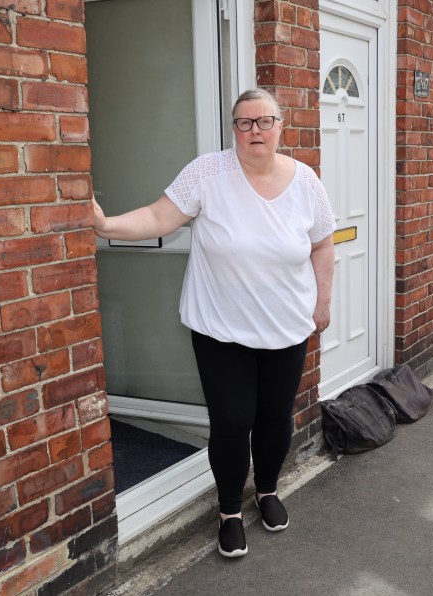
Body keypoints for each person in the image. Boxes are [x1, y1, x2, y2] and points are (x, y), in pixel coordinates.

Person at [92, 88, 336, 558]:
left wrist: (322, 302)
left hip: (286, 326)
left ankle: (266, 491)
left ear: (281, 126)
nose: (254, 131)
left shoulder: (306, 182)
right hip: (220, 327)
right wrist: (107, 225)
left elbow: (322, 245)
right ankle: (228, 510)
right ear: (234, 130)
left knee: (274, 418)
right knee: (230, 421)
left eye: (264, 121)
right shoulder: (209, 172)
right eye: (244, 123)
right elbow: (160, 216)